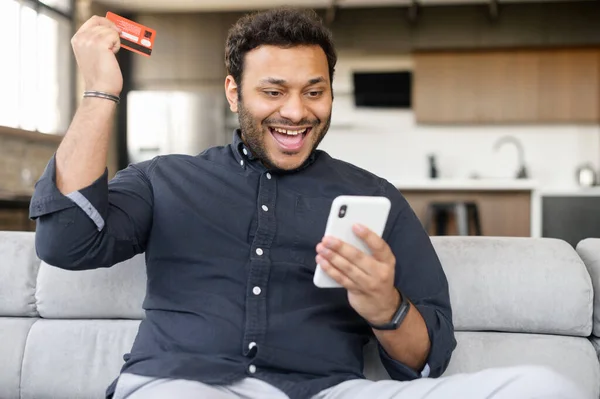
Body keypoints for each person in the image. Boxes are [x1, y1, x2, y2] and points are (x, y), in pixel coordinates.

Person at [30, 7, 587, 399]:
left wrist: (385, 307)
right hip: (183, 384)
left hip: (328, 391)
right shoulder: (165, 179)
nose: (296, 112)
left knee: (548, 387)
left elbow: (427, 360)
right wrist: (101, 91)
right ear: (234, 92)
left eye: (313, 91)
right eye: (273, 91)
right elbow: (66, 242)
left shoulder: (374, 198)